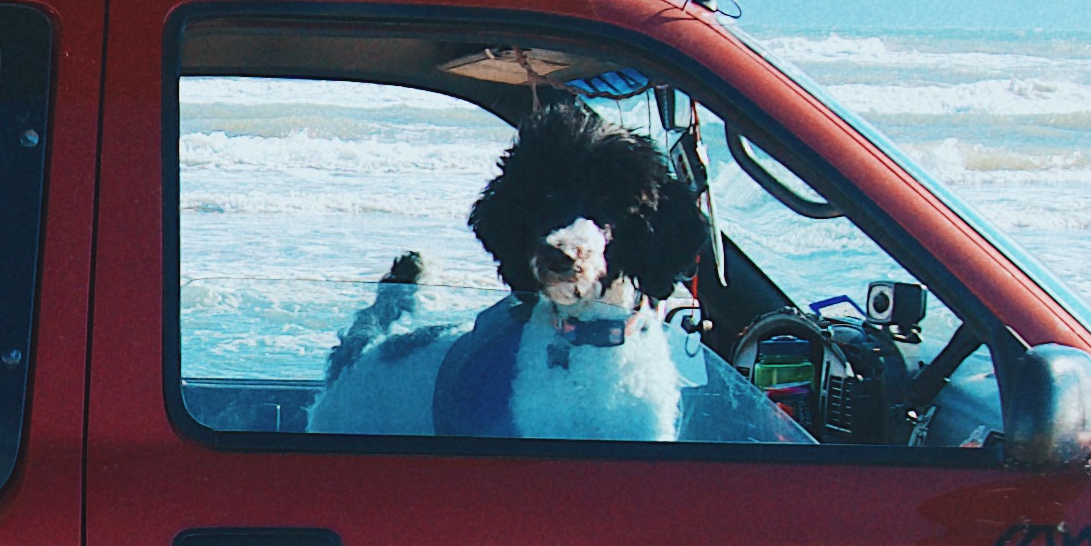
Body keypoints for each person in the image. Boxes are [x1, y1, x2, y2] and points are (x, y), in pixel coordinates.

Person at [309, 98, 807, 446]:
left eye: (601, 209)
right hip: (368, 405)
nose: (566, 241)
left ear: (639, 228)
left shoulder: (649, 376)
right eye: (552, 208)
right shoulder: (375, 386)